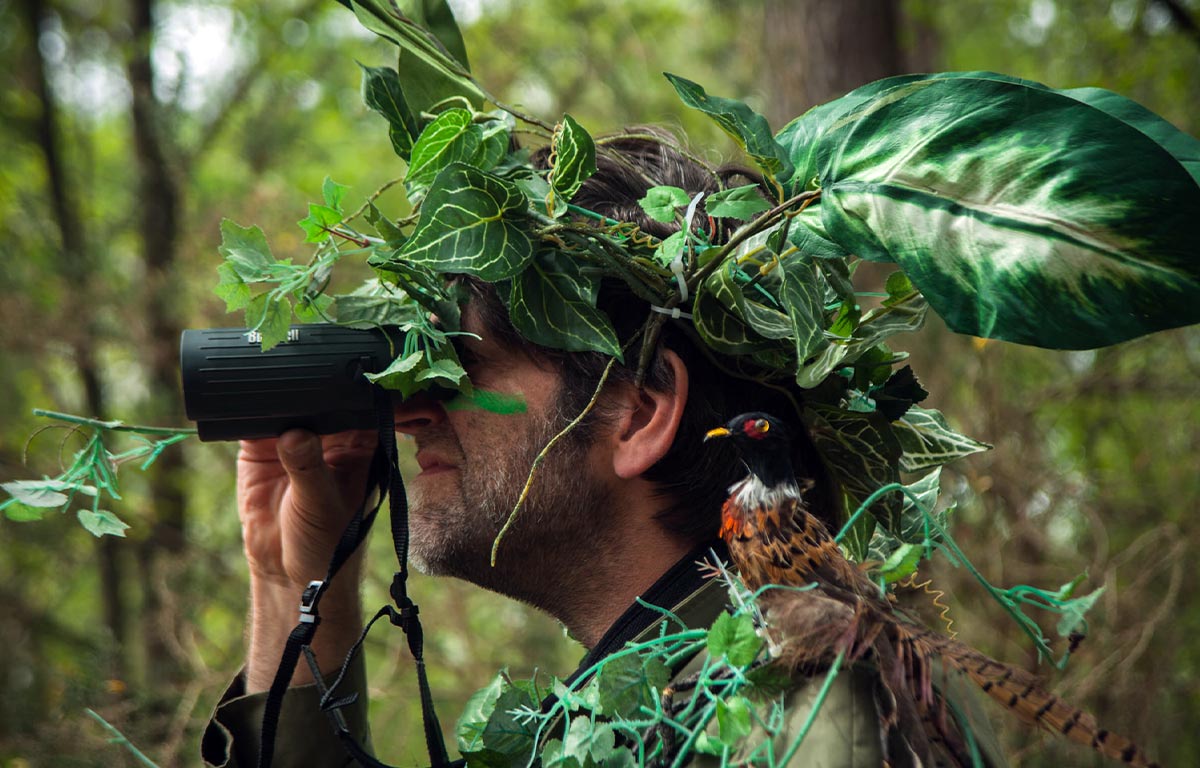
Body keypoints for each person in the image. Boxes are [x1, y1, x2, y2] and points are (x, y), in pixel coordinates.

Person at [201, 132, 1003, 768]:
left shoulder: (804, 706)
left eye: (460, 368)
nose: (410, 417)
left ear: (639, 412)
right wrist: (293, 587)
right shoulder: (658, 711)